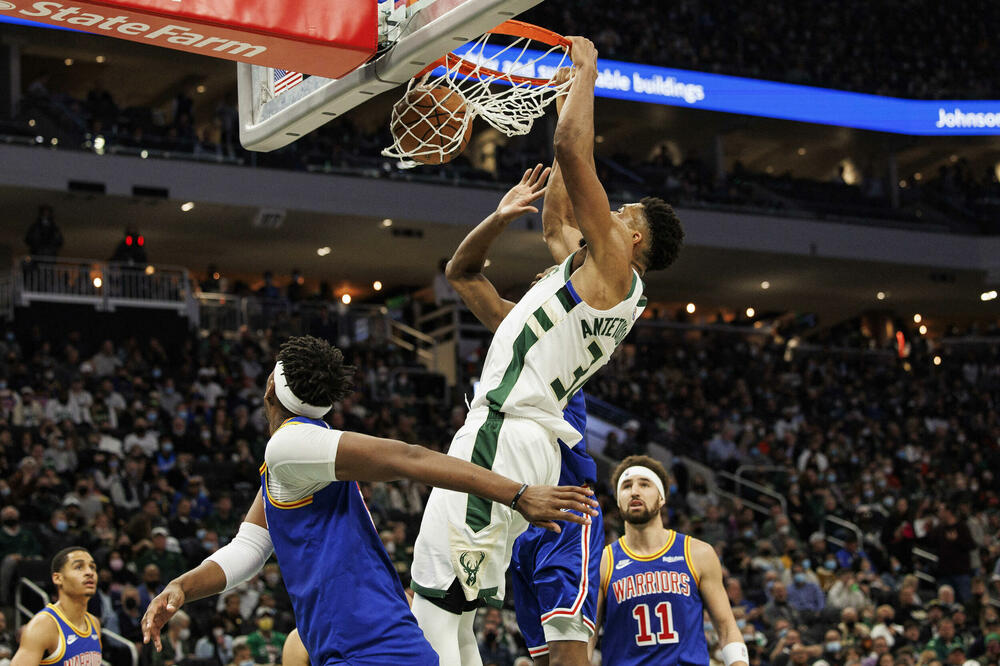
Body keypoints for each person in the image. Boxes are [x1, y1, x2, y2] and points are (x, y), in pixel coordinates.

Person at [409, 34, 683, 665]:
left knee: (432, 602)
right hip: (526, 442)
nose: (609, 211)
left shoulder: (617, 267)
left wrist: (585, 74)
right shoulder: (596, 275)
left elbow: (571, 149)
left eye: (621, 211)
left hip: (506, 432)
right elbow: (556, 221)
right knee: (456, 615)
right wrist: (563, 104)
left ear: (632, 235)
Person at [141, 335, 596, 665]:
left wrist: (517, 494)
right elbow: (248, 549)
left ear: (268, 390)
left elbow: (409, 458)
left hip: (372, 644)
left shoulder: (288, 447)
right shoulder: (296, 457)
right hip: (354, 644)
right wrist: (182, 585)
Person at [440, 114, 604, 665]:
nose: (543, 277)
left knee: (567, 652)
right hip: (514, 502)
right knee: (535, 654)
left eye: (552, 276)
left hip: (564, 502)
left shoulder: (577, 324)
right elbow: (461, 275)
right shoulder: (516, 325)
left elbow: (557, 222)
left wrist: (570, 134)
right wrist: (500, 215)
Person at [595, 455, 748, 666]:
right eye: (626, 486)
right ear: (619, 502)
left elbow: (726, 628)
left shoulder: (698, 553)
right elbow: (586, 638)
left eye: (645, 484)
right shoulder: (602, 562)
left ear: (661, 498)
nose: (635, 491)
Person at [11, 547, 102, 666]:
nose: (89, 572)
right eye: (79, 567)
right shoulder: (43, 625)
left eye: (92, 567)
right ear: (58, 578)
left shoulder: (94, 623)